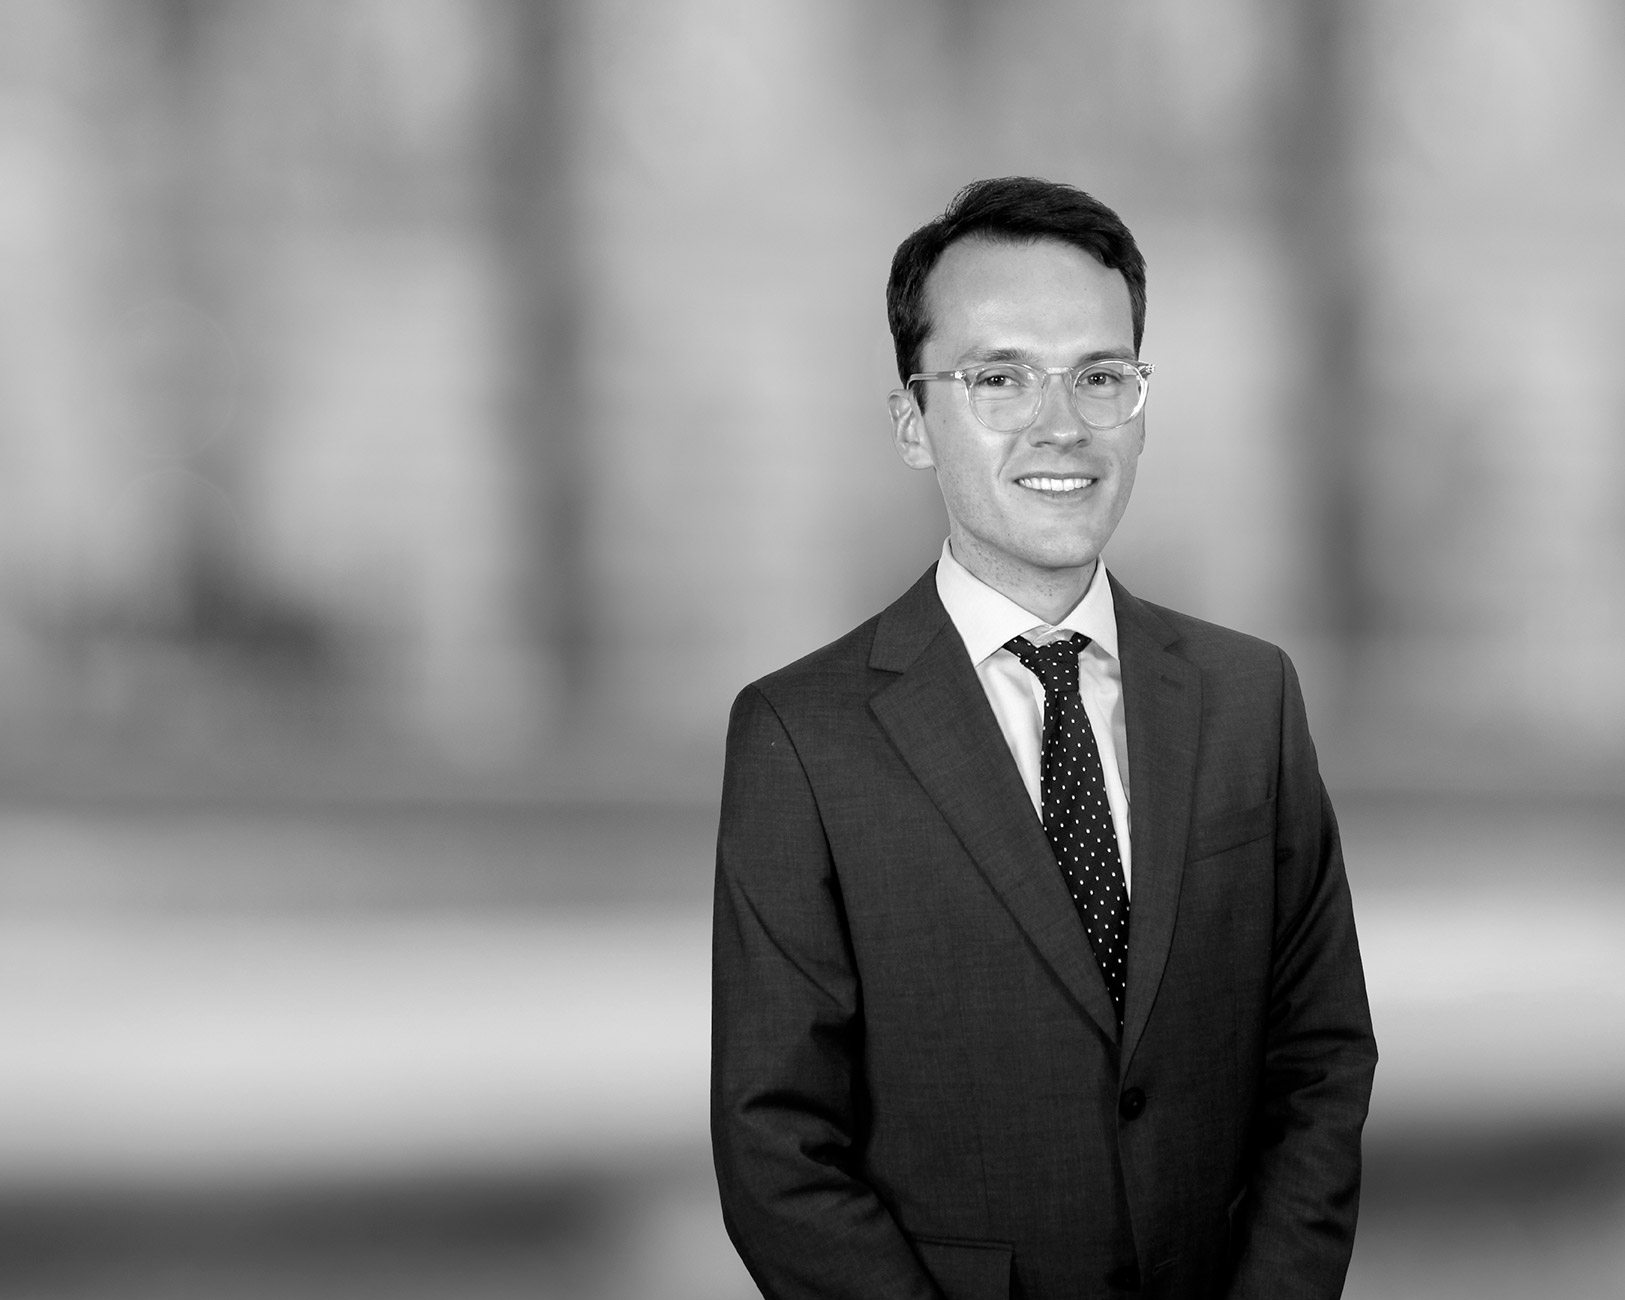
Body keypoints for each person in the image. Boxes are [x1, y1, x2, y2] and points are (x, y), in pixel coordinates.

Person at [711, 176, 1376, 1300]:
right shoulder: (802, 735)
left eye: (1099, 376)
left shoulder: (1247, 696)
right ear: (912, 421)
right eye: (999, 378)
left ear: (1140, 405)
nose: (1060, 424)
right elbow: (774, 1143)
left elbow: (1318, 1055)